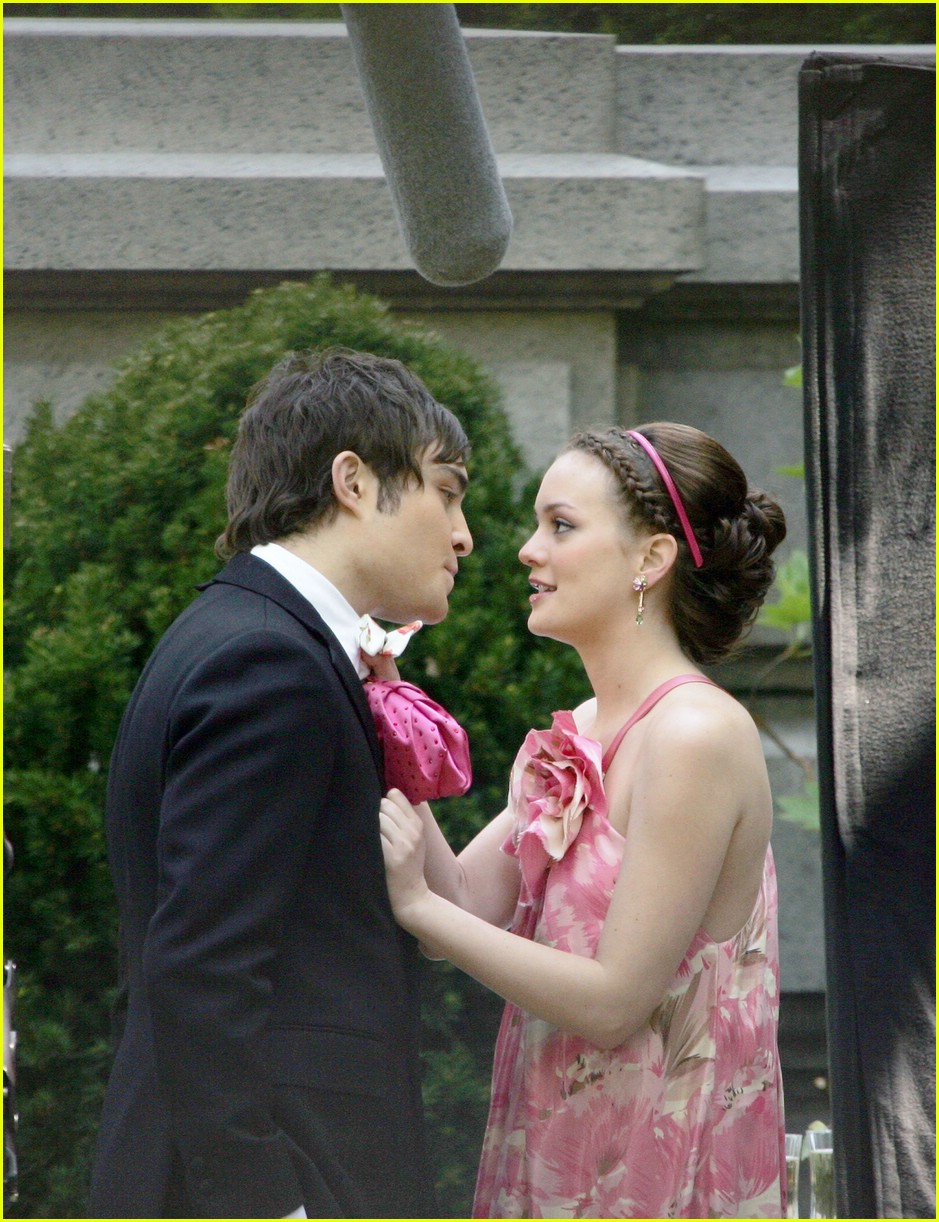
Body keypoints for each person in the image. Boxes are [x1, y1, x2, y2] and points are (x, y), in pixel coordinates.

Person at [89, 347, 473, 1219]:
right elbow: (200, 966)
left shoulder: (247, 634)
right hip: (281, 1179)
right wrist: (265, 1201)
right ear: (354, 482)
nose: (462, 534)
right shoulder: (269, 662)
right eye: (446, 491)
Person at [379, 422, 789, 1218]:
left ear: (650, 559)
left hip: (660, 1185)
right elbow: (462, 903)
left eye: (560, 526)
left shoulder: (694, 735)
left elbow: (612, 1003)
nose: (527, 550)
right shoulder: (581, 731)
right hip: (557, 1166)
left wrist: (419, 907)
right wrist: (385, 698)